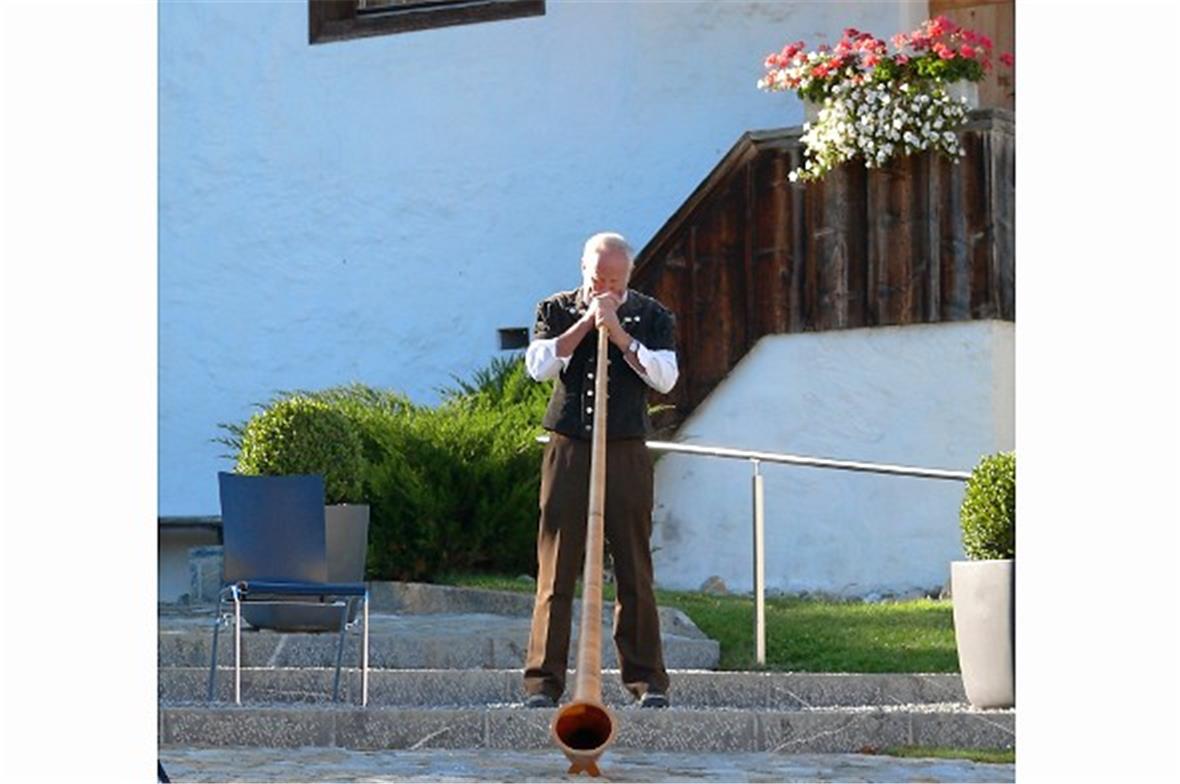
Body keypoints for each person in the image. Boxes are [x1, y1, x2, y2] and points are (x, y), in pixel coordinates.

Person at [521, 232, 679, 710]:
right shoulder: (556, 309)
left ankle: (646, 680)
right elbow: (539, 367)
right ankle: (543, 683)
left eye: (614, 279)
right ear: (584, 270)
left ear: (628, 275)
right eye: (597, 278)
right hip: (570, 444)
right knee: (557, 567)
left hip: (626, 446)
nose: (605, 286)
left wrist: (623, 336)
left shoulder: (653, 316)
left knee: (633, 563)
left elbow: (665, 378)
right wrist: (588, 324)